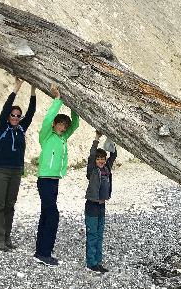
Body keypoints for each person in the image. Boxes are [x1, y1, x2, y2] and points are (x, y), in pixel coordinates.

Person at [34, 84, 79, 266]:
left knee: (46, 214)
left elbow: (75, 124)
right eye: (60, 123)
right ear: (55, 124)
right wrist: (58, 100)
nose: (63, 127)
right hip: (44, 180)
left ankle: (41, 250)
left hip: (54, 181)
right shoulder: (46, 136)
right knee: (53, 215)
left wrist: (75, 108)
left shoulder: (63, 138)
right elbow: (47, 119)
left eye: (65, 125)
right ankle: (44, 253)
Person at [0, 77, 36, 251]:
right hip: (1, 171)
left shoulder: (22, 128)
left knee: (10, 205)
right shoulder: (2, 126)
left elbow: (31, 112)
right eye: (13, 115)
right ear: (8, 116)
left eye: (18, 116)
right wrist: (17, 88)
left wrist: (33, 90)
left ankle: (7, 237)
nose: (16, 117)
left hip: (16, 171)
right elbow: (4, 109)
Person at [84, 131, 119, 273]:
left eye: (102, 159)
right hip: (91, 205)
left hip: (101, 205)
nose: (101, 161)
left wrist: (113, 139)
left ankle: (98, 262)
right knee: (92, 235)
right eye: (98, 159)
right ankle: (91, 263)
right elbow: (92, 154)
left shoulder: (107, 168)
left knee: (99, 234)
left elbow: (114, 155)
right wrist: (97, 139)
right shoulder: (92, 170)